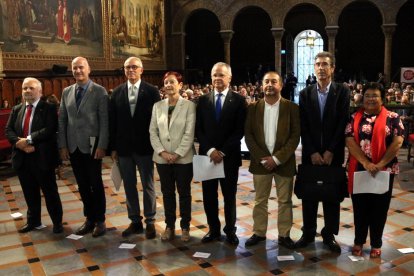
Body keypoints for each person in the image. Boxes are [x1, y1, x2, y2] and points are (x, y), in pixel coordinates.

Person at [296, 51, 350, 252]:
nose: (321, 68)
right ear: (314, 68)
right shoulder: (305, 93)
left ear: (332, 68)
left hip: (332, 155)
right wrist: (311, 152)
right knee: (309, 195)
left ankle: (329, 235)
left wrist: (330, 151)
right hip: (311, 154)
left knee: (331, 195)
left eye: (325, 64)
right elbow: (303, 126)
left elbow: (342, 123)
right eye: (317, 64)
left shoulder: (342, 92)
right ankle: (308, 233)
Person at [346, 82, 404, 258]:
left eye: (375, 95)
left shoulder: (393, 117)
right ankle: (358, 241)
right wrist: (365, 162)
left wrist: (380, 164)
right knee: (360, 207)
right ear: (362, 98)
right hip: (359, 168)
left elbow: (398, 141)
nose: (371, 99)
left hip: (384, 170)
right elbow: (349, 141)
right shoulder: (354, 117)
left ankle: (376, 243)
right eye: (368, 95)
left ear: (382, 98)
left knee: (379, 208)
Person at [244, 71, 300, 248]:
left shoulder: (291, 107)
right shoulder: (253, 107)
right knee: (260, 200)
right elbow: (249, 136)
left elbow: (295, 136)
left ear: (280, 85)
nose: (269, 85)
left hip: (284, 162)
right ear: (262, 85)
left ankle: (284, 235)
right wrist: (263, 159)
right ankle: (259, 233)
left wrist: (276, 159)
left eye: (273, 82)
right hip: (260, 163)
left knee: (285, 201)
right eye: (266, 81)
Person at [195, 62, 247, 245]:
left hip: (229, 157)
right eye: (215, 75)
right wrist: (210, 150)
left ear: (229, 78)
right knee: (209, 196)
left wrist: (222, 151)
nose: (217, 78)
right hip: (207, 157)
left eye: (221, 75)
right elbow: (198, 130)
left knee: (229, 197)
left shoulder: (239, 101)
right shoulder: (202, 100)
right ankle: (213, 230)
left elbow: (239, 131)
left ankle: (230, 231)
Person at [109, 57, 160, 239]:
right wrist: (112, 148)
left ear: (141, 70)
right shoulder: (116, 92)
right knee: (129, 185)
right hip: (123, 148)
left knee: (148, 185)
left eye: (134, 67)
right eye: (127, 67)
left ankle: (151, 221)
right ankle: (135, 221)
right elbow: (112, 122)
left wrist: (157, 146)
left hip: (145, 147)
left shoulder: (152, 92)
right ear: (124, 70)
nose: (131, 70)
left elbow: (157, 122)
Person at [58, 57, 109, 237]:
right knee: (82, 185)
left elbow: (104, 122)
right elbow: (63, 119)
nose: (78, 71)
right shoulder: (66, 92)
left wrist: (102, 145)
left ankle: (100, 221)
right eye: (75, 68)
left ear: (89, 69)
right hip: (73, 145)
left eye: (81, 67)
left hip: (93, 145)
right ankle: (89, 218)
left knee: (95, 183)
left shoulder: (100, 91)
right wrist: (62, 145)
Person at [6, 77, 63, 234]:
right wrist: (20, 144)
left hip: (43, 158)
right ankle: (33, 221)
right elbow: (8, 130)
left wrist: (29, 139)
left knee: (50, 192)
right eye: (25, 88)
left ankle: (57, 222)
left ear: (40, 91)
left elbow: (49, 129)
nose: (27, 91)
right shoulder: (16, 109)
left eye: (31, 88)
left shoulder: (49, 108)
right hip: (23, 158)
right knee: (29, 192)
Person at [149, 71, 195, 242]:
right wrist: (163, 152)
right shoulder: (157, 106)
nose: (168, 85)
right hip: (162, 158)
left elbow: (189, 134)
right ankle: (169, 226)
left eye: (172, 82)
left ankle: (185, 227)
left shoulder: (189, 106)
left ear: (180, 85)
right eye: (166, 82)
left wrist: (176, 154)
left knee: (184, 194)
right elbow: (153, 132)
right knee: (167, 193)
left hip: (183, 159)